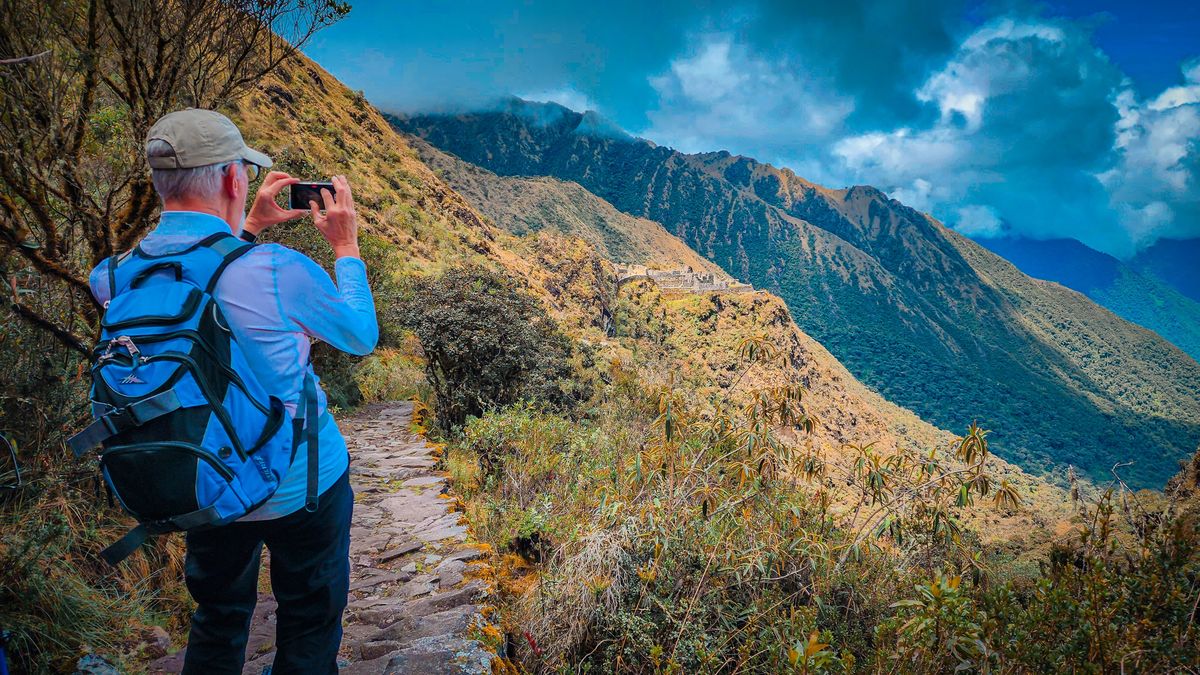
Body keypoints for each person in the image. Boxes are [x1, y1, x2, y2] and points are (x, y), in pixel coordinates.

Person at [87, 109, 378, 674]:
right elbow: (360, 334)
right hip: (301, 485)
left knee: (217, 620)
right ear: (230, 178)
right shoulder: (278, 269)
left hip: (205, 483)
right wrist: (346, 247)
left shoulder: (114, 277)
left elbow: (198, 290)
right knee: (309, 623)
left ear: (158, 183)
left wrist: (246, 226)